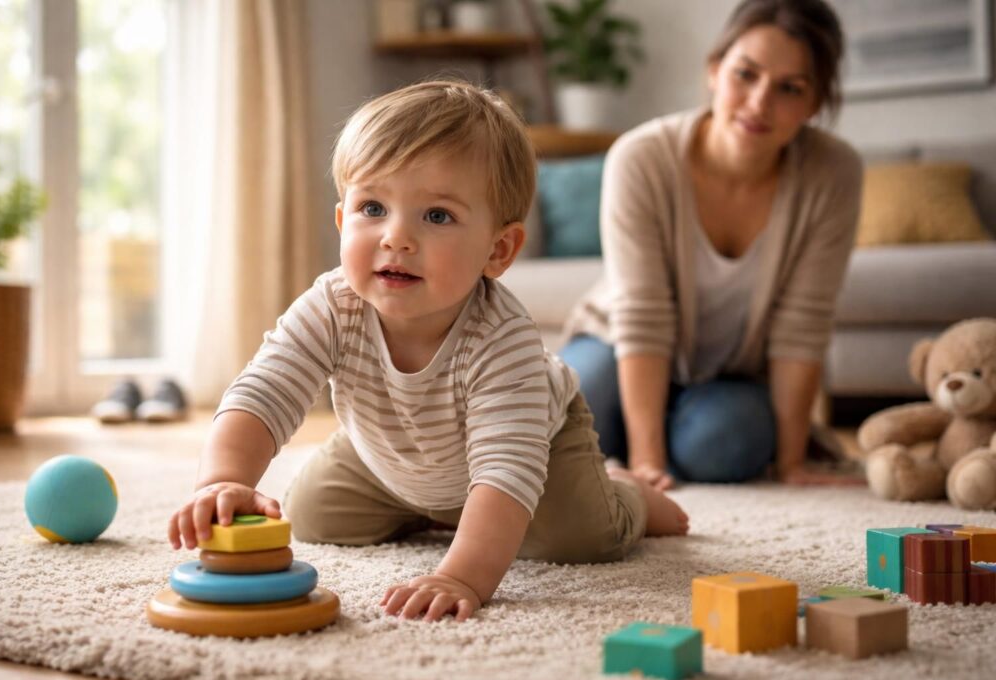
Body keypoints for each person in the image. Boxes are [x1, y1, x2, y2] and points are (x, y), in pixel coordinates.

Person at [166, 81, 689, 623]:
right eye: (373, 207)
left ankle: (627, 493)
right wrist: (223, 481)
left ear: (498, 249)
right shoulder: (332, 305)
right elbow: (263, 392)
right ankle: (432, 506)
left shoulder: (502, 339)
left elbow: (506, 470)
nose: (396, 237)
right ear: (343, 221)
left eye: (436, 216)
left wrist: (460, 574)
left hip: (533, 449)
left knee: (580, 537)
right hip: (389, 447)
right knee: (312, 515)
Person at [561, 0, 864, 491]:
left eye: (790, 88)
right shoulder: (641, 157)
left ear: (813, 105)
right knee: (568, 407)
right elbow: (642, 313)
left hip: (731, 376)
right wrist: (647, 465)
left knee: (727, 444)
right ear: (714, 70)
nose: (759, 102)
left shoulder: (834, 173)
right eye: (746, 74)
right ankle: (635, 443)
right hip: (618, 344)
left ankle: (638, 444)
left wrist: (791, 465)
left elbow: (802, 324)